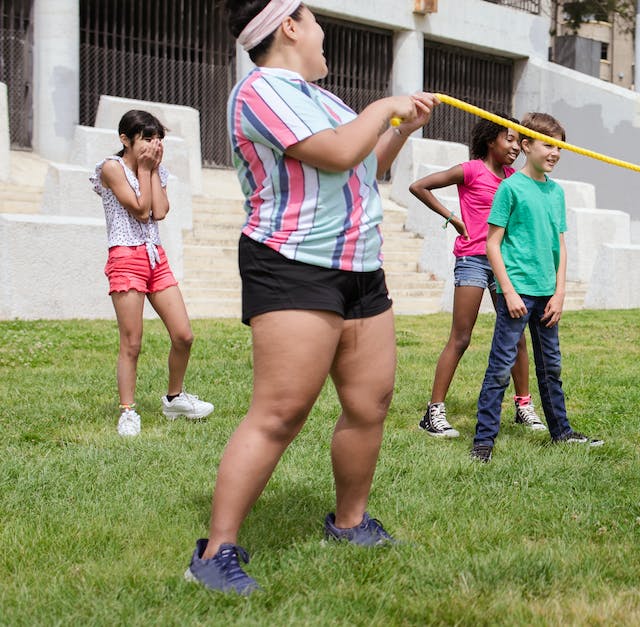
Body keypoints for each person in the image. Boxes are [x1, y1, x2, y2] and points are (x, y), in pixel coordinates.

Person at [185, 0, 437, 595]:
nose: (324, 33)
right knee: (281, 411)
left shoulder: (322, 100)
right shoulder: (260, 91)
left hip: (359, 266)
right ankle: (216, 552)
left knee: (370, 402)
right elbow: (334, 153)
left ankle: (350, 523)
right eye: (315, 19)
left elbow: (360, 166)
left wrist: (396, 129)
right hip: (292, 265)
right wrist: (383, 108)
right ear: (290, 26)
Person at [470, 112, 602, 463]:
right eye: (548, 145)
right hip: (517, 292)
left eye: (559, 146)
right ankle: (483, 440)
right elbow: (492, 244)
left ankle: (561, 431)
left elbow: (561, 246)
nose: (555, 152)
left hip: (547, 295)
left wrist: (560, 293)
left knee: (551, 367)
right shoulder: (510, 188)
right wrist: (508, 291)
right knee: (500, 366)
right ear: (526, 145)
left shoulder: (556, 192)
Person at [410, 116, 545, 439]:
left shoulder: (515, 179)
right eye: (509, 140)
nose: (515, 147)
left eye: (518, 142)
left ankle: (524, 406)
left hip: (506, 265)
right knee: (461, 336)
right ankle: (434, 413)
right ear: (490, 140)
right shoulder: (470, 170)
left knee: (516, 336)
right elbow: (419, 186)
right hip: (472, 259)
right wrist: (453, 219)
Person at [91, 109, 214, 437]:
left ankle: (174, 398)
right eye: (147, 137)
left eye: (158, 137)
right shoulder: (111, 168)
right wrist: (146, 170)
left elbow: (159, 211)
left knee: (183, 335)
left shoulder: (155, 169)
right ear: (125, 140)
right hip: (125, 256)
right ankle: (128, 412)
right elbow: (140, 209)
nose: (155, 144)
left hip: (154, 258)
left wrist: (153, 168)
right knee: (132, 342)